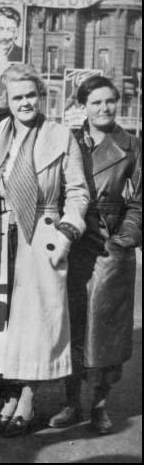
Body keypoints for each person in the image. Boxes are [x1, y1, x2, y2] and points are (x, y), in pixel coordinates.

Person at [0, 64, 90, 436]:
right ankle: (7, 399)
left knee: (36, 326)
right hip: (2, 235)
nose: (25, 103)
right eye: (17, 97)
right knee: (4, 324)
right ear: (6, 101)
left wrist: (67, 233)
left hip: (42, 237)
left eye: (31, 95)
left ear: (40, 97)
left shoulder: (61, 135)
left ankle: (26, 400)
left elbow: (77, 190)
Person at [49, 76, 142, 434]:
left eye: (110, 102)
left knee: (106, 330)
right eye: (96, 102)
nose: (104, 109)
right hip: (73, 238)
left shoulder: (131, 144)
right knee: (71, 323)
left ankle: (100, 405)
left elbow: (139, 199)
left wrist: (125, 237)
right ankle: (71, 402)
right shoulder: (69, 141)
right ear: (82, 107)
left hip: (111, 244)